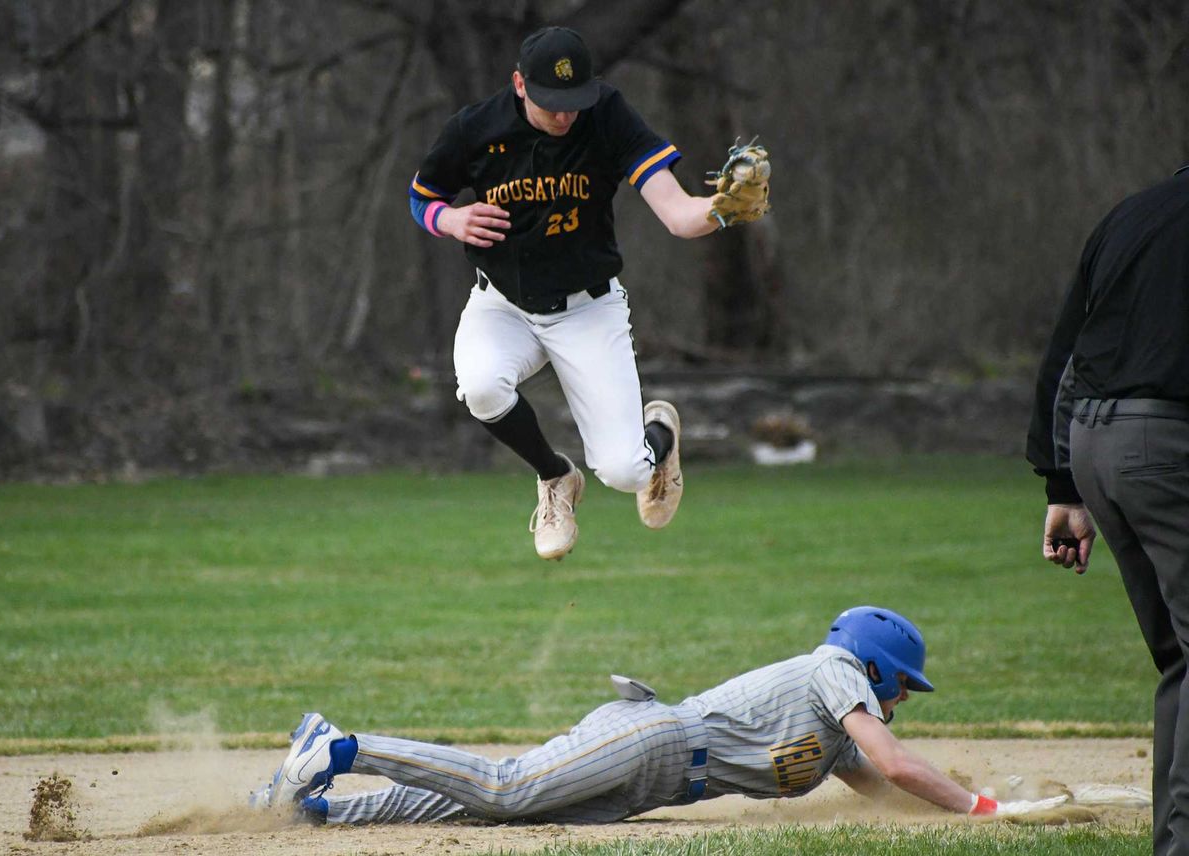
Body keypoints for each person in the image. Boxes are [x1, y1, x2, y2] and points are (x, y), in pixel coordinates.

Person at [408, 26, 758, 560]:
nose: (565, 115)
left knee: (625, 472)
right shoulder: (475, 128)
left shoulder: (607, 115)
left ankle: (660, 433)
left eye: (574, 101)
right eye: (551, 103)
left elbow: (678, 215)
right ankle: (556, 478)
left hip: (587, 309)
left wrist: (724, 207)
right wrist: (450, 219)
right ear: (519, 85)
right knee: (480, 386)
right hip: (503, 305)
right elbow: (422, 198)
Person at [249, 606, 1063, 824]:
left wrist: (968, 809)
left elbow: (891, 790)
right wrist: (985, 809)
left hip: (653, 780)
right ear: (876, 664)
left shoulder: (834, 736)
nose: (901, 700)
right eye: (903, 686)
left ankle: (321, 814)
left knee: (492, 810)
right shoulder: (835, 670)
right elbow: (896, 762)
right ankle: (341, 748)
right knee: (504, 787)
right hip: (655, 741)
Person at [1026, 164, 1189, 856]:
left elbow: (1067, 352)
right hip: (1167, 442)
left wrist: (1063, 484)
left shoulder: (1134, 214)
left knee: (1179, 658)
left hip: (1096, 444)